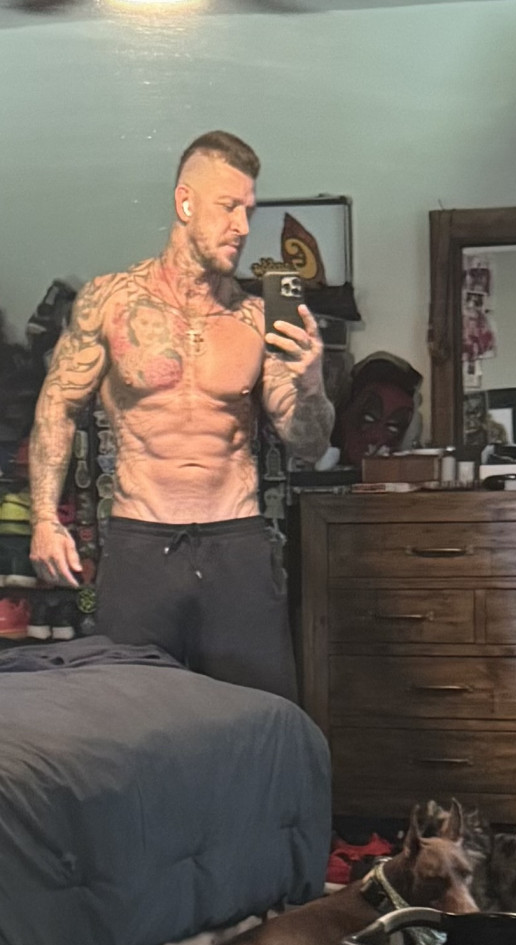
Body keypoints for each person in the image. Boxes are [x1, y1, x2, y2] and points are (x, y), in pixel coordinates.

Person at [29, 130, 334, 701]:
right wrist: (45, 518)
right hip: (142, 546)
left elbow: (309, 443)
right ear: (185, 203)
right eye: (229, 207)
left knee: (260, 718)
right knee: (130, 721)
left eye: (248, 211)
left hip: (237, 546)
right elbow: (57, 405)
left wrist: (312, 381)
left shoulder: (255, 318)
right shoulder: (110, 302)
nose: (242, 226)